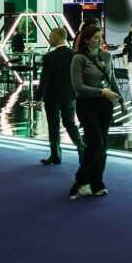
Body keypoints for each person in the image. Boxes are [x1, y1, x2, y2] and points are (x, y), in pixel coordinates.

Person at [69, 23, 123, 199]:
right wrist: (102, 92)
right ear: (86, 40)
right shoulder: (78, 59)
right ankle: (82, 180)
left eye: (101, 37)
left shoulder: (106, 56)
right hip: (86, 105)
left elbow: (111, 79)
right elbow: (78, 87)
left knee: (103, 146)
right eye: (95, 37)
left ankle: (97, 182)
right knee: (95, 143)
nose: (99, 40)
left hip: (105, 105)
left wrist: (120, 98)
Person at [38, 27, 85, 166]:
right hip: (70, 95)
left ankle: (55, 156)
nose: (49, 39)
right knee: (70, 123)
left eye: (51, 36)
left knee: (53, 125)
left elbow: (44, 80)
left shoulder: (49, 57)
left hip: (52, 96)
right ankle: (81, 148)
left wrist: (38, 98)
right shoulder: (74, 54)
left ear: (57, 37)